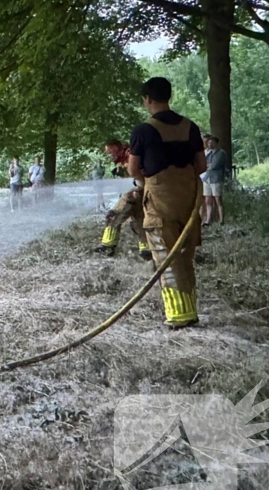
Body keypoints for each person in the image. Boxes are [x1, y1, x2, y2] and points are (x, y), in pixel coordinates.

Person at [128, 77, 206, 329]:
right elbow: (202, 166)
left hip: (160, 201)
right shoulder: (190, 127)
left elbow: (133, 169)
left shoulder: (143, 131)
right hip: (189, 200)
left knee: (165, 254)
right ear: (169, 97)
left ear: (147, 100)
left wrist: (149, 184)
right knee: (184, 254)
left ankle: (179, 315)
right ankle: (190, 310)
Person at [94, 140, 150, 260]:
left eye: (109, 151)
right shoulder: (123, 157)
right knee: (140, 220)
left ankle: (108, 245)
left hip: (134, 192)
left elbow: (137, 173)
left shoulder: (130, 155)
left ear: (115, 147)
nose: (109, 154)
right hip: (138, 192)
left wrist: (137, 188)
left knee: (113, 215)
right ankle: (146, 249)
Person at [203, 136, 228, 225]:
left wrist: (208, 166)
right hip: (207, 178)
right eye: (209, 143)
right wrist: (207, 166)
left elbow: (215, 165)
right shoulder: (208, 153)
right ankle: (208, 220)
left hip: (216, 179)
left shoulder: (221, 153)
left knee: (218, 200)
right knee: (208, 200)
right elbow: (203, 164)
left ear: (216, 143)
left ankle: (222, 220)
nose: (210, 144)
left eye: (211, 142)